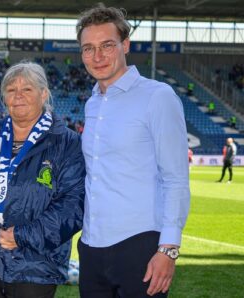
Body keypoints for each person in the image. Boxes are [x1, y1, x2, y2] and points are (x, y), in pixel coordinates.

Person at [76, 5, 190, 297]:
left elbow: (176, 178)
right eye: (88, 48)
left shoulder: (157, 96)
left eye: (107, 46)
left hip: (139, 244)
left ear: (125, 45)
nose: (97, 56)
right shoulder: (92, 104)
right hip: (91, 248)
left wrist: (169, 249)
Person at [0, 62, 85, 298]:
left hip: (35, 267)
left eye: (27, 89)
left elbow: (73, 206)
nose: (18, 96)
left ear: (43, 94)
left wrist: (22, 236)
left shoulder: (67, 142)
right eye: (11, 90)